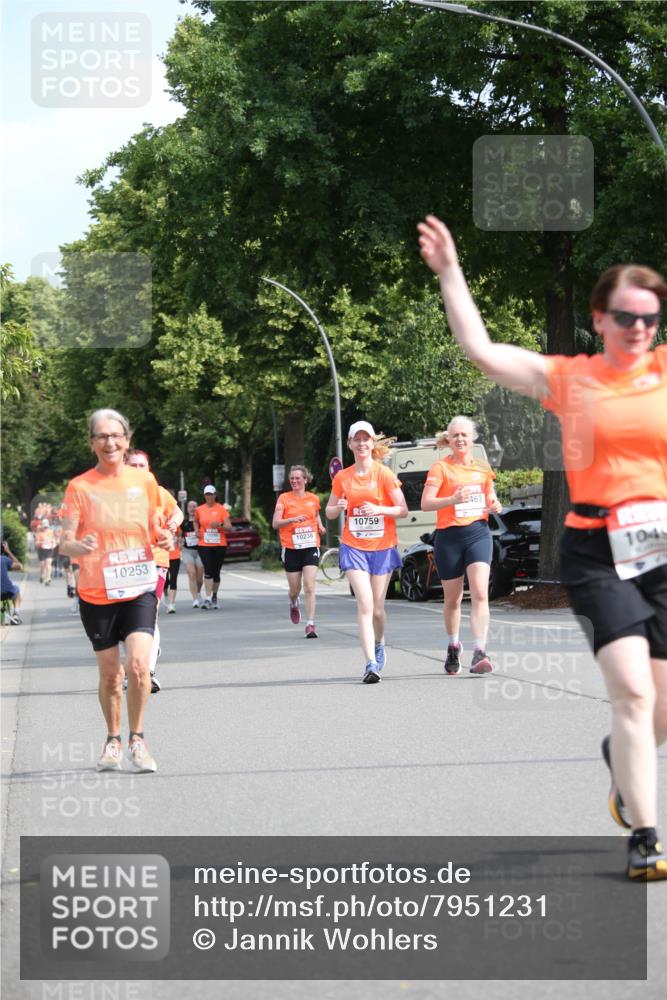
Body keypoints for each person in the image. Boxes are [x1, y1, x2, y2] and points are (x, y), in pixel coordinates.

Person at [418, 213, 667, 881]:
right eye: (623, 316)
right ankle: (644, 835)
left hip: (663, 555)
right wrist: (450, 272)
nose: (637, 328)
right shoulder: (571, 378)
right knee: (632, 694)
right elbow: (481, 350)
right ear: (598, 317)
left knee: (660, 706)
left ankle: (623, 761)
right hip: (595, 550)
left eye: (648, 317)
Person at [59, 409, 173, 773]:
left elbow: (158, 529)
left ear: (127, 440)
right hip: (96, 591)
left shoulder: (146, 482)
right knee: (111, 674)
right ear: (92, 443)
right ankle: (113, 739)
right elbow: (65, 543)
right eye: (102, 436)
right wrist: (80, 547)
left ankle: (138, 738)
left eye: (116, 435)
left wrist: (167, 536)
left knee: (138, 664)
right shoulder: (80, 487)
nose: (110, 442)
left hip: (139, 584)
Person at [325, 421, 408, 683]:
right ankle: (370, 662)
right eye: (356, 439)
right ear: (350, 444)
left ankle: (379, 641)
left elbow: (402, 509)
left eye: (366, 439)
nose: (361, 444)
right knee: (365, 603)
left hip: (382, 547)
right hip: (354, 546)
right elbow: (328, 512)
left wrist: (379, 510)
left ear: (373, 444)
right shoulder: (342, 477)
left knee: (378, 610)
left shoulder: (383, 474)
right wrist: (338, 507)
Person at [421, 416, 502, 674]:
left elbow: (490, 497)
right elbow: (426, 503)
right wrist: (452, 499)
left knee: (480, 593)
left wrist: (495, 504)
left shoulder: (483, 468)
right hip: (449, 537)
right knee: (453, 600)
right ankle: (454, 645)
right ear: (449, 439)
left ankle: (480, 651)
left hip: (478, 533)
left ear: (472, 438)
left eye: (464, 435)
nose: (460, 439)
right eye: (455, 435)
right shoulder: (440, 468)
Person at [126, 450, 183, 692]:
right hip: (126, 561)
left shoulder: (159, 492)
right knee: (127, 619)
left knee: (150, 614)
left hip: (156, 559)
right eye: (133, 465)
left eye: (143, 466)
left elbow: (177, 511)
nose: (138, 469)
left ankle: (148, 671)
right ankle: (136, 665)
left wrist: (173, 522)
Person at [273, 465, 326, 638]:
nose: (295, 481)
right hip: (291, 547)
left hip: (310, 545)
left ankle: (310, 624)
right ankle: (293, 602)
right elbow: (275, 523)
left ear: (305, 480)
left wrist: (320, 526)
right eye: (292, 479)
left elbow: (315, 515)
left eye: (298, 478)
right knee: (294, 589)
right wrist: (291, 520)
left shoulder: (313, 498)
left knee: (310, 586)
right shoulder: (284, 498)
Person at [195, 485, 232, 610]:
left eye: (211, 494)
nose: (209, 497)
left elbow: (229, 527)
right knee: (208, 570)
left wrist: (220, 524)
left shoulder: (221, 509)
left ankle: (214, 596)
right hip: (204, 544)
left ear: (215, 495)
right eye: (207, 494)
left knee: (216, 572)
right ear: (204, 496)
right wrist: (196, 531)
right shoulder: (199, 509)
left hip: (219, 544)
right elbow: (195, 521)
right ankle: (208, 598)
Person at [181, 499, 205, 607]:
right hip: (187, 551)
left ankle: (198, 592)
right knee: (192, 574)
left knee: (199, 577)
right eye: (190, 507)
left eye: (194, 506)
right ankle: (195, 599)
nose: (192, 508)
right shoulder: (183, 521)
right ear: (187, 509)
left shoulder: (201, 521)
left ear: (197, 508)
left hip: (200, 550)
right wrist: (179, 542)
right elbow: (179, 535)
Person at [1, 539, 23, 624]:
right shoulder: (4, 559)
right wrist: (8, 552)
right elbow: (19, 566)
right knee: (16, 589)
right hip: (5, 592)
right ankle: (16, 614)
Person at [35, 517, 56, 585]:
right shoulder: (39, 532)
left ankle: (48, 578)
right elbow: (37, 543)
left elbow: (53, 540)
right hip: (41, 549)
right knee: (42, 565)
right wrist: (42, 542)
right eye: (44, 527)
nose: (46, 528)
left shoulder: (51, 531)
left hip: (49, 549)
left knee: (48, 564)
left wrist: (53, 542)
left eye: (46, 527)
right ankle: (42, 576)